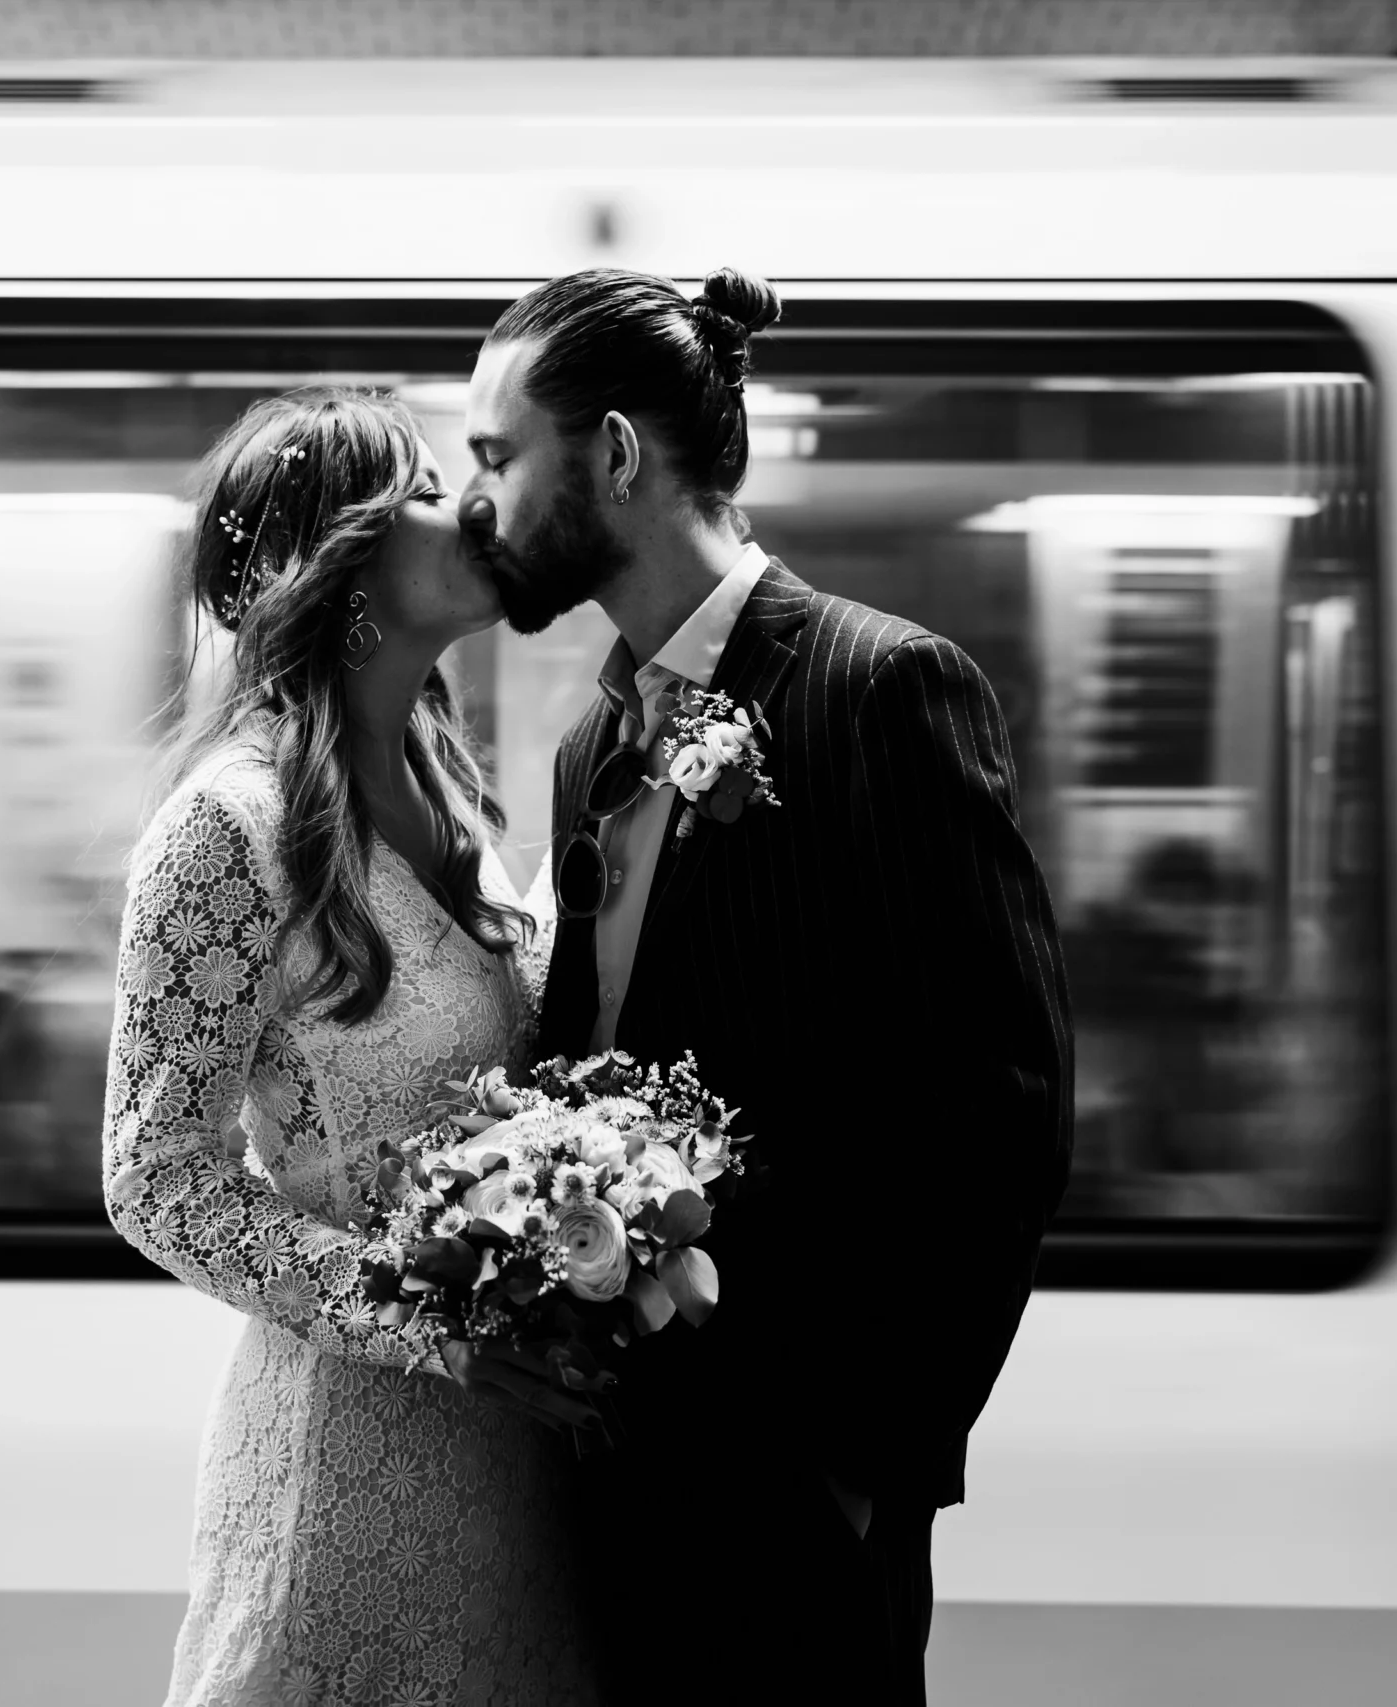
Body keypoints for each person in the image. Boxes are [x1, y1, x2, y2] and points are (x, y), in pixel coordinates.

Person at [456, 268, 1076, 1707]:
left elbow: (1006, 1103)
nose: (475, 502)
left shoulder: (883, 689)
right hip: (618, 1476)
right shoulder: (588, 742)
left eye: (497, 455)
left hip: (804, 1490)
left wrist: (865, 1461)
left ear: (613, 454)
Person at [101, 388, 600, 1706]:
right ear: (349, 568)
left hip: (517, 1463)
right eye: (433, 492)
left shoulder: (448, 792)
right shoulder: (228, 828)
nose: (475, 509)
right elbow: (158, 1177)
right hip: (345, 1468)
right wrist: (425, 1318)